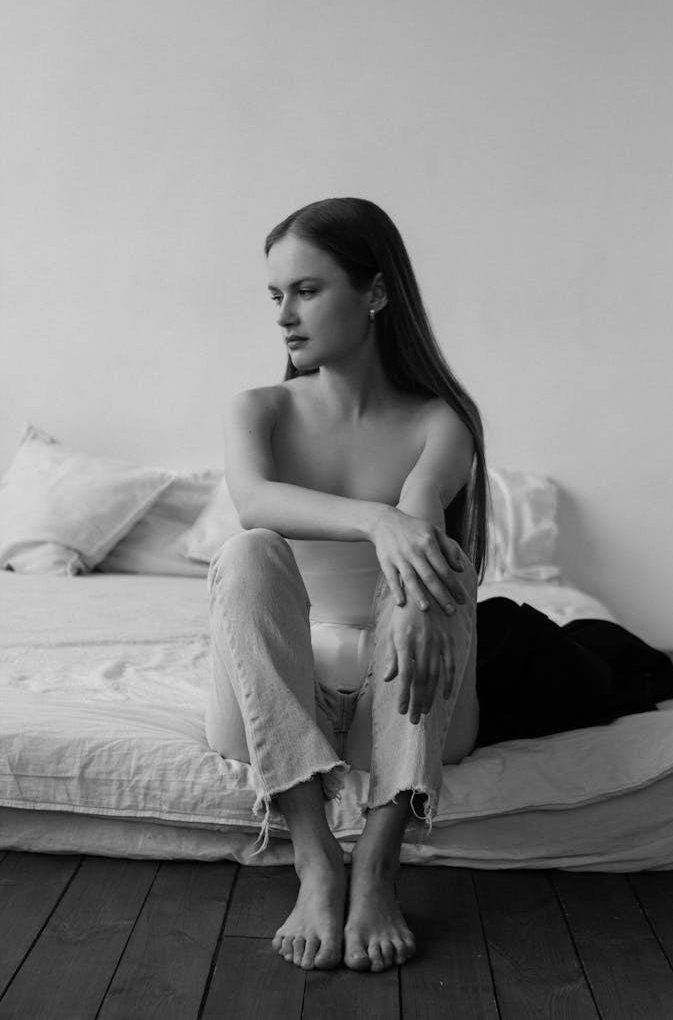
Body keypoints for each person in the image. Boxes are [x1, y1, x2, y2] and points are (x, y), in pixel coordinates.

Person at [205, 197, 490, 974]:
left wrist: (412, 554)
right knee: (249, 552)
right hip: (270, 704)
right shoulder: (258, 408)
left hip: (396, 703)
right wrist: (376, 520)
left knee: (437, 568)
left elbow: (425, 527)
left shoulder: (440, 421)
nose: (285, 317)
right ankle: (314, 856)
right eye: (276, 297)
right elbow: (254, 501)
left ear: (373, 292)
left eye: (307, 290)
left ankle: (378, 861)